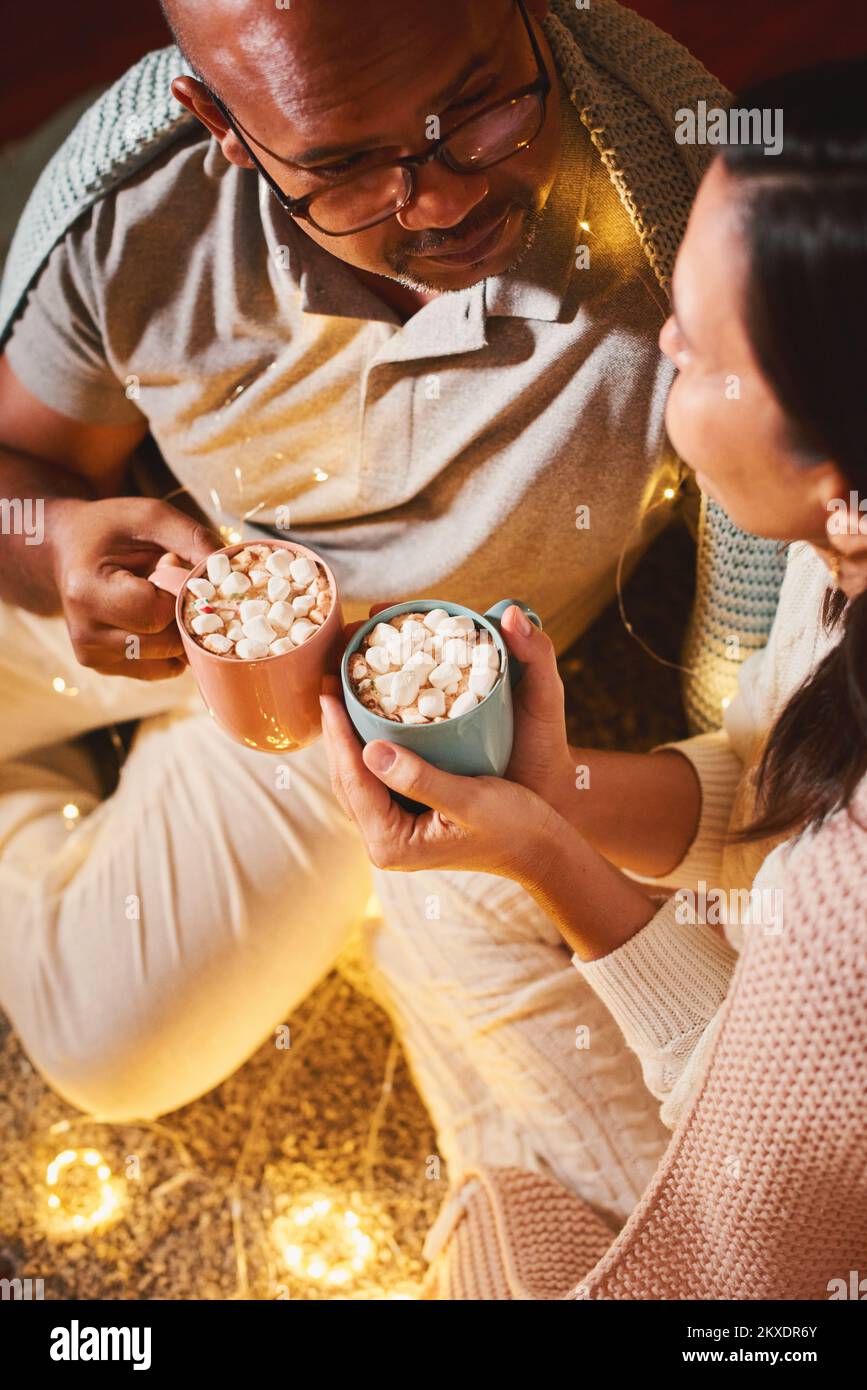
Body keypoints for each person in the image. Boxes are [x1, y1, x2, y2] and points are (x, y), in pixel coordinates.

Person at [0, 0, 714, 1173]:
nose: (441, 201)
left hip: (362, 726)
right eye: (343, 170)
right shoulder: (133, 212)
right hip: (171, 573)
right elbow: (23, 464)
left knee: (115, 1047)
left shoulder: (679, 217)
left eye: (479, 111)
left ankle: (60, 783)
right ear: (221, 124)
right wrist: (58, 544)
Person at [320, 58, 867, 1297]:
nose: (665, 342)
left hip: (786, 1209)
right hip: (790, 1018)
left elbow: (748, 1179)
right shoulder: (838, 541)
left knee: (502, 1233)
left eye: (711, 352)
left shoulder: (848, 914)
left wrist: (551, 860)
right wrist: (553, 789)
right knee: (431, 897)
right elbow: (783, 776)